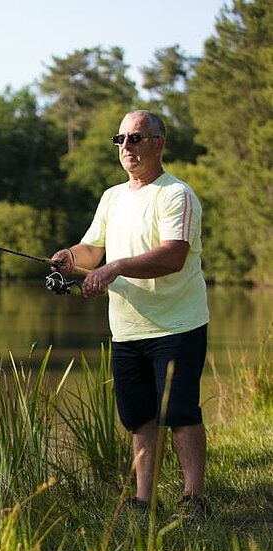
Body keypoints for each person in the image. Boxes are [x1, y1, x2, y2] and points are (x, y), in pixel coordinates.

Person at [51, 109, 210, 518]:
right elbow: (93, 250)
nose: (127, 147)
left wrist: (115, 267)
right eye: (120, 139)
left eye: (136, 139)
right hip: (126, 329)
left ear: (159, 143)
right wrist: (70, 257)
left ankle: (194, 499)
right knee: (139, 417)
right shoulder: (112, 197)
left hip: (177, 324)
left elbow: (173, 256)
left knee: (179, 413)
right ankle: (144, 501)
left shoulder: (176, 195)